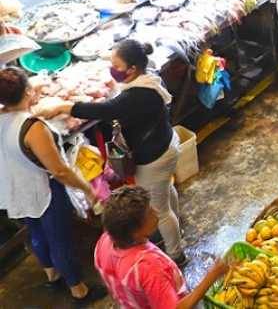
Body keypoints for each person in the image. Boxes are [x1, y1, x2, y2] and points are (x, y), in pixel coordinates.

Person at [36, 39, 186, 264]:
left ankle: (176, 254)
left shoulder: (135, 96)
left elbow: (106, 109)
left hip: (154, 157)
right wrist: (106, 56)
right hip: (166, 143)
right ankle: (175, 227)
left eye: (116, 65)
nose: (112, 68)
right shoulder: (149, 76)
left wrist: (62, 107)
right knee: (164, 192)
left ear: (132, 69)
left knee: (160, 210)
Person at [0, 67, 106, 303]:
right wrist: (87, 190)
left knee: (36, 232)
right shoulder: (32, 128)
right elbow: (59, 171)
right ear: (28, 91)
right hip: (43, 191)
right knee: (60, 239)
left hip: (15, 189)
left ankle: (52, 275)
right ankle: (79, 290)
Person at [95, 185, 229, 309]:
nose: (156, 211)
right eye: (149, 212)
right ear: (136, 232)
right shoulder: (149, 268)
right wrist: (213, 275)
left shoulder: (104, 242)